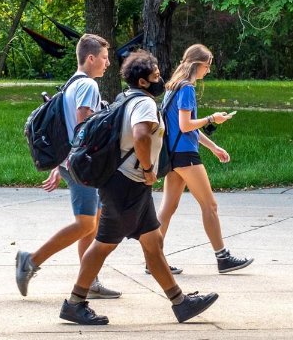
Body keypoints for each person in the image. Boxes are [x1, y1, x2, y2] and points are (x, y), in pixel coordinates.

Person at [59, 50, 219, 325]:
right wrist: (147, 170)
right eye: (155, 75)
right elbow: (142, 136)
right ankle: (75, 302)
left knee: (153, 242)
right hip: (126, 184)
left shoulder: (128, 98)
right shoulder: (143, 103)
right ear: (143, 81)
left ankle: (180, 303)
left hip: (129, 184)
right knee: (103, 245)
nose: (160, 78)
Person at [15, 34, 120, 300]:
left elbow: (68, 127)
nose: (108, 64)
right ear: (91, 58)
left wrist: (60, 164)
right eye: (105, 58)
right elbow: (84, 125)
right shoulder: (88, 86)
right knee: (85, 224)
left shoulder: (72, 83)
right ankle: (31, 260)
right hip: (82, 165)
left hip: (72, 161)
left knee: (93, 224)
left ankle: (90, 279)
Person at [155, 44, 253, 274]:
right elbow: (185, 125)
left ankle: (153, 259)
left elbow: (185, 129)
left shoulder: (172, 87)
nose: (208, 71)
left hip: (172, 154)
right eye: (207, 66)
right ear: (197, 64)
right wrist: (212, 118)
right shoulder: (187, 89)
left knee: (167, 208)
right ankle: (223, 258)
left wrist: (214, 147)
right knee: (210, 205)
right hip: (185, 156)